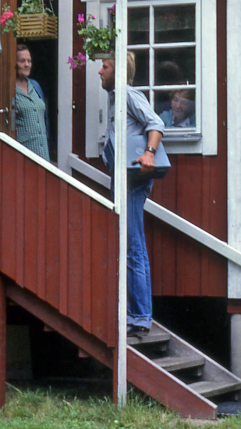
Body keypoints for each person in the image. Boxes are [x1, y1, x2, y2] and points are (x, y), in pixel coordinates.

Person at [99, 52, 164, 337]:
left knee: (134, 246)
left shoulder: (127, 94)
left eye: (105, 66)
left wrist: (149, 153)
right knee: (129, 245)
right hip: (122, 177)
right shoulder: (115, 97)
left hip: (133, 180)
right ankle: (136, 315)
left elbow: (156, 123)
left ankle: (139, 316)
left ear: (119, 71)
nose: (100, 71)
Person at [13, 43, 50, 160]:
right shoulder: (10, 89)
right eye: (22, 61)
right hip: (24, 156)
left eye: (29, 61)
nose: (27, 65)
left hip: (43, 153)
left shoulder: (35, 86)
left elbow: (45, 119)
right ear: (14, 63)